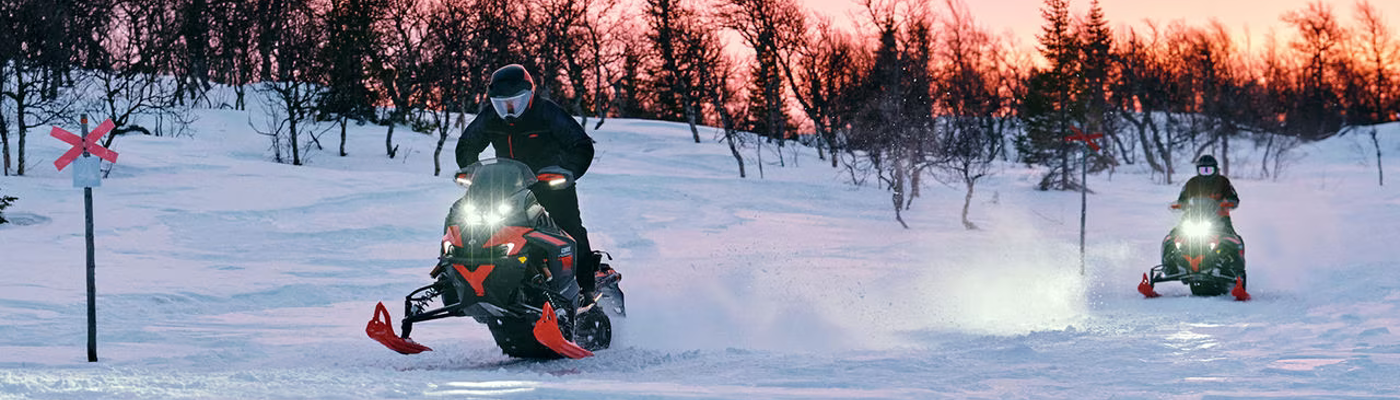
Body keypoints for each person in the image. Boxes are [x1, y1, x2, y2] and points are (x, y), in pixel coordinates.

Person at [456, 64, 599, 308]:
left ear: (529, 95)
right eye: (502, 104)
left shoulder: (547, 112)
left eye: (514, 103)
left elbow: (581, 145)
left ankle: (586, 289)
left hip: (551, 185)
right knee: (479, 226)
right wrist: (473, 168)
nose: (509, 110)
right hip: (508, 187)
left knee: (569, 229)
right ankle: (480, 282)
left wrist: (567, 170)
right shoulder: (491, 116)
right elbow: (467, 144)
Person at [1174, 154, 1240, 236]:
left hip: (1219, 215)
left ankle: (1234, 242)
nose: (1205, 174)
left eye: (1209, 170)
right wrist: (1182, 204)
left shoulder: (1223, 181)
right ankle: (1170, 242)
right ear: (1198, 170)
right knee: (1178, 231)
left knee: (1229, 233)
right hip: (1195, 214)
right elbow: (1183, 197)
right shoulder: (1192, 182)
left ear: (1215, 169)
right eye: (1203, 170)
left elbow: (1233, 197)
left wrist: (1229, 203)